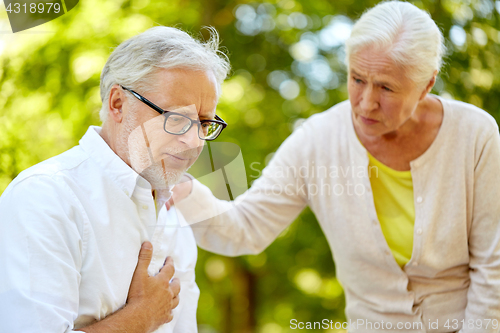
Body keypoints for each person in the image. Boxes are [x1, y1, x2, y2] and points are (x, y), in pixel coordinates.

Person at [172, 2, 500, 332]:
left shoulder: (475, 135)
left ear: (426, 85)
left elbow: (493, 266)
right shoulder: (317, 140)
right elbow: (246, 229)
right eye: (357, 79)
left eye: (386, 87)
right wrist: (180, 189)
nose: (366, 102)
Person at [0, 26, 230, 332]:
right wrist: (142, 317)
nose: (195, 141)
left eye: (203, 123)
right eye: (176, 118)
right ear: (118, 104)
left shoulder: (176, 224)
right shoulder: (45, 198)